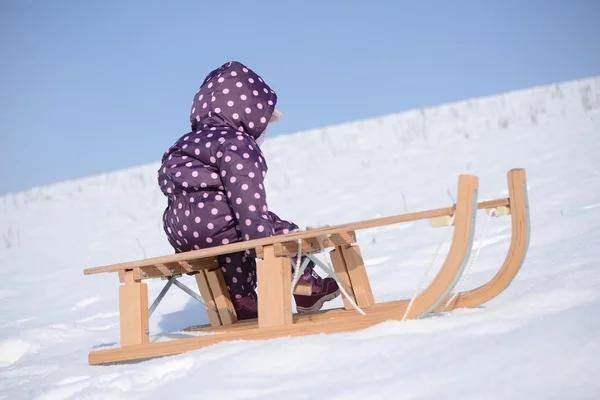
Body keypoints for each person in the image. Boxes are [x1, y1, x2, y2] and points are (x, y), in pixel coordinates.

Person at [157, 61, 340, 320]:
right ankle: (306, 285)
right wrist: (262, 237)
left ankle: (241, 298)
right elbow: (246, 198)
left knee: (232, 244)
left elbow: (168, 185)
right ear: (249, 116)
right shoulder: (236, 143)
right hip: (219, 223)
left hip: (180, 232)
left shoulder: (182, 143)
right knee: (274, 231)